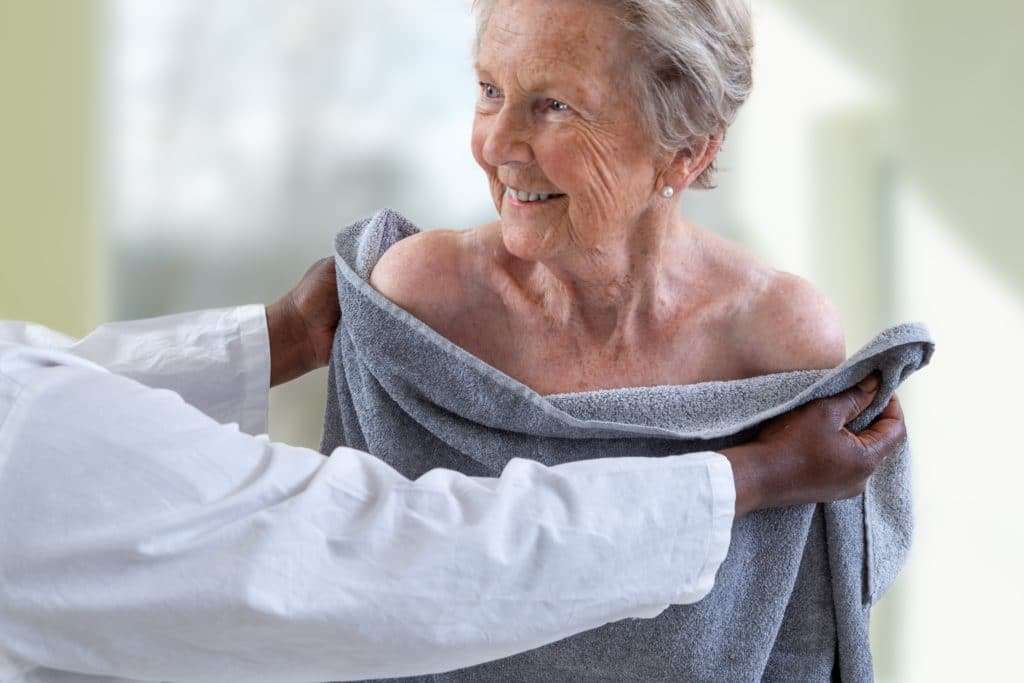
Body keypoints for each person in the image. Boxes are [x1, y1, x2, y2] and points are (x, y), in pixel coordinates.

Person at [0, 258, 905, 683]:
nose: (498, 145)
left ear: (689, 146)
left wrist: (264, 342)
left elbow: (42, 389)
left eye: (554, 105)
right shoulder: (23, 442)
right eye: (487, 92)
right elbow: (373, 556)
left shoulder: (779, 323)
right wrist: (745, 480)